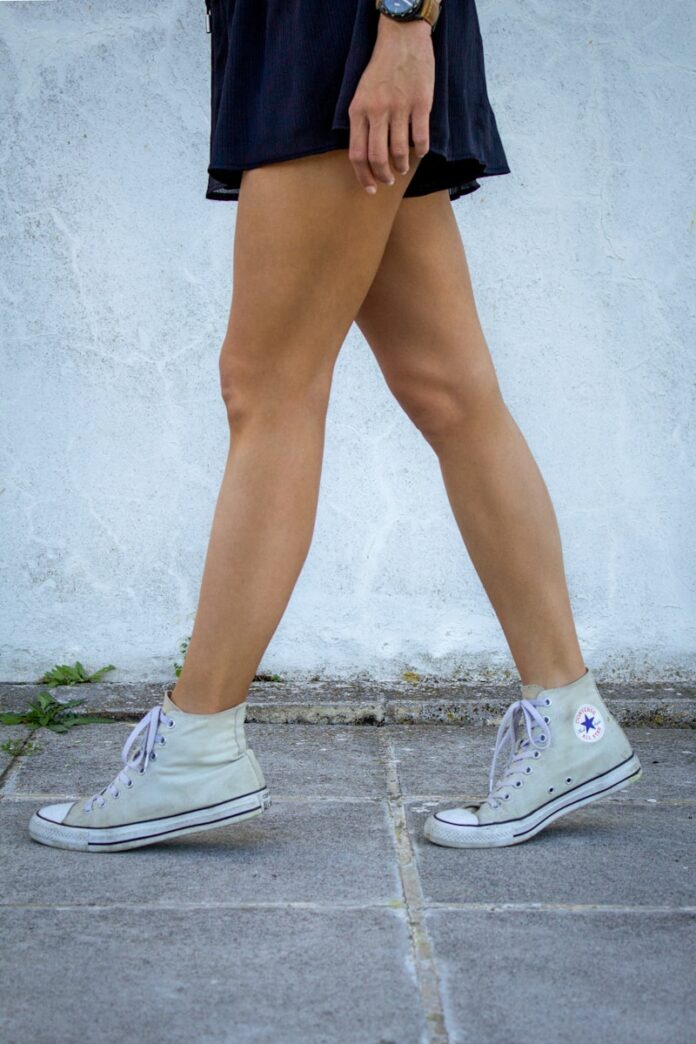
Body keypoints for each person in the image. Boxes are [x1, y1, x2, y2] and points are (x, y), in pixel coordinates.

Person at [29, 0, 641, 853]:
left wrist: (403, 23)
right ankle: (574, 722)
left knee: (268, 388)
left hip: (343, 32)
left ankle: (195, 746)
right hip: (331, 33)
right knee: (448, 391)